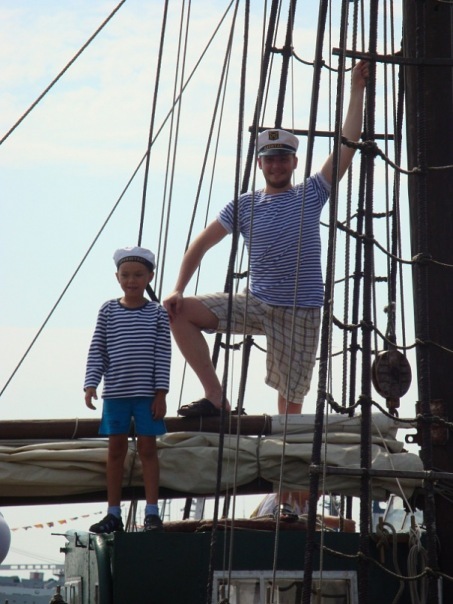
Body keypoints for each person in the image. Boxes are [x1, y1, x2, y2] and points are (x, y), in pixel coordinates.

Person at [163, 60, 368, 418]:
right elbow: (200, 244)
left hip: (300, 310)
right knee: (178, 313)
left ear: (294, 162)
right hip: (256, 302)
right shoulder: (243, 205)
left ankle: (285, 446)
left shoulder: (311, 193)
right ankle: (215, 397)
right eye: (269, 160)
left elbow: (347, 146)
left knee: (289, 409)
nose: (276, 165)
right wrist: (178, 288)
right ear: (260, 164)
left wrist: (356, 90)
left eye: (283, 159)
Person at [84, 246, 171, 533]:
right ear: (117, 277)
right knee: (115, 451)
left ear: (150, 277)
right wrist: (91, 383)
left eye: (138, 275)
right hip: (115, 394)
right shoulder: (108, 310)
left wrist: (161, 393)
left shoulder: (157, 313)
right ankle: (113, 513)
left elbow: (163, 354)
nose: (131, 280)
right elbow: (98, 349)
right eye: (126, 275)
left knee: (148, 450)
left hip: (147, 395)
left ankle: (152, 513)